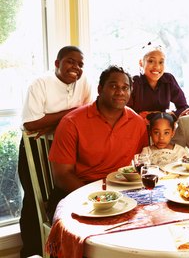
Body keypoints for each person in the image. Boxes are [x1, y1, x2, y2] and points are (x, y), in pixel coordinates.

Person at [18, 45, 92, 258]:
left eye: (80, 64)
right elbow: (31, 124)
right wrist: (71, 114)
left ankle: (65, 247)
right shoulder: (40, 83)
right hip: (35, 146)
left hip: (67, 145)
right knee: (34, 199)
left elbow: (87, 115)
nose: (75, 67)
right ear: (57, 64)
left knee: (66, 193)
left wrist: (52, 123)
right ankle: (32, 252)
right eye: (70, 61)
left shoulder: (84, 82)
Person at [47, 65, 149, 217]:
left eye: (125, 87)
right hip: (79, 193)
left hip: (121, 193)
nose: (120, 92)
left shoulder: (137, 122)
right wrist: (98, 198)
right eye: (113, 86)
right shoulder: (71, 122)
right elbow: (62, 176)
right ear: (100, 89)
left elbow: (142, 163)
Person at [127, 42, 189, 121]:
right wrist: (143, 117)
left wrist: (169, 115)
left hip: (162, 129)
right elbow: (125, 113)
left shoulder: (168, 80)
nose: (157, 66)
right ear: (141, 63)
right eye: (151, 61)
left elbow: (184, 107)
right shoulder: (133, 82)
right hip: (138, 127)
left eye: (161, 62)